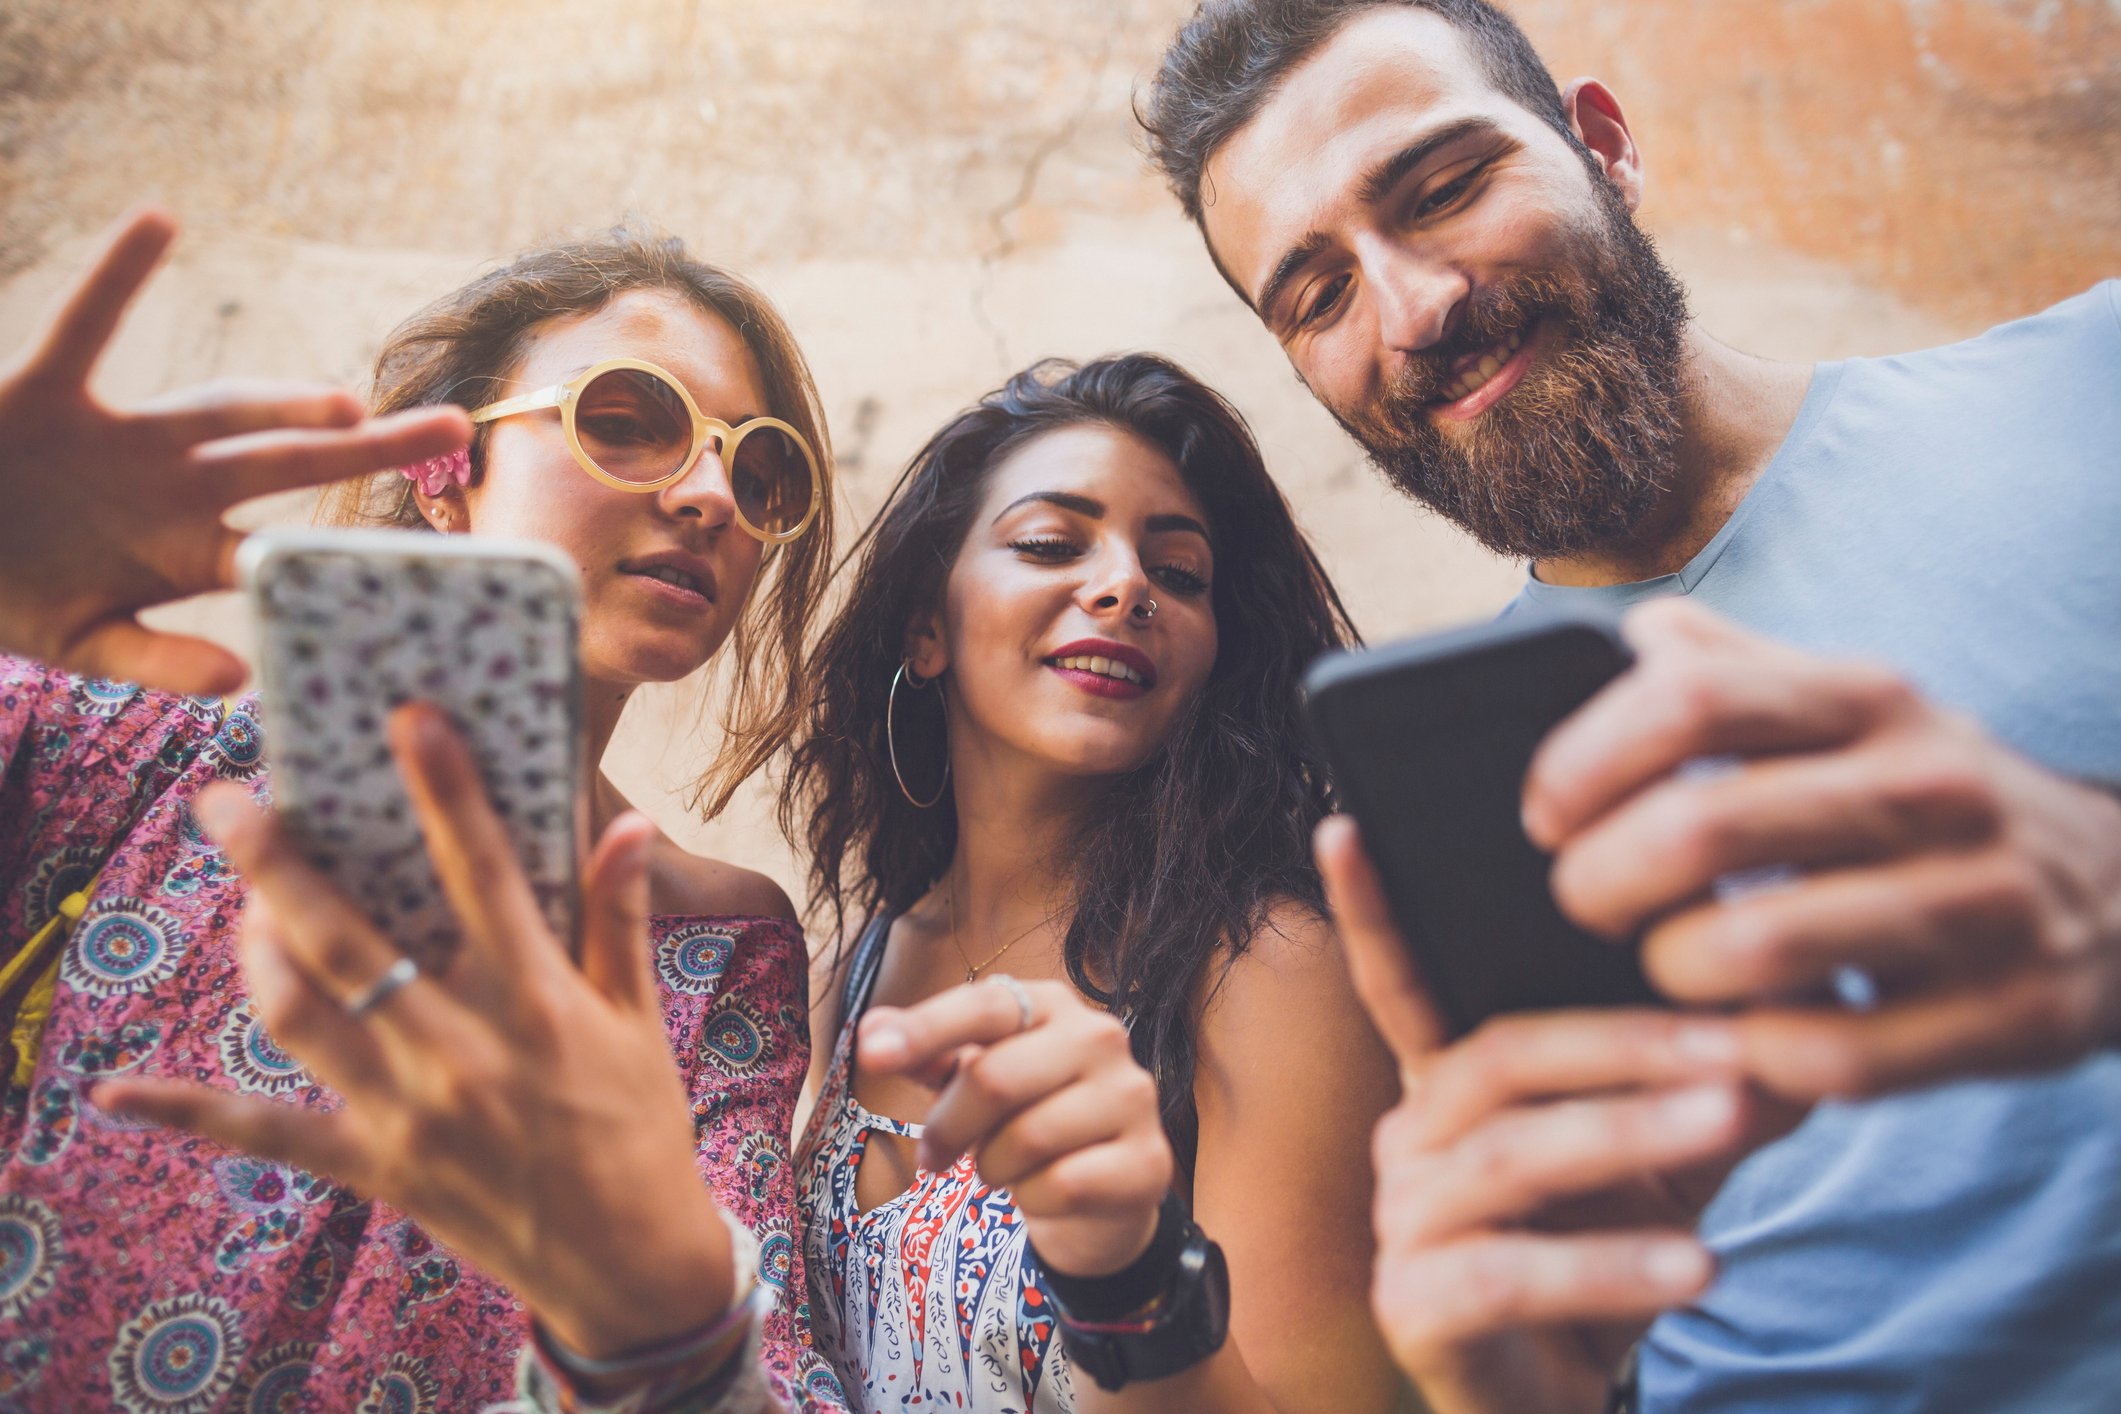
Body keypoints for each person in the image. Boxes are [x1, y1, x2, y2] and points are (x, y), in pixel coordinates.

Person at [1140, 2, 2121, 1410]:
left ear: (1603, 148)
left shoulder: (2086, 392)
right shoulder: (1430, 805)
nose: (1412, 312)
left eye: (1444, 188)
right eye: (1318, 294)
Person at [0, 208, 850, 1410]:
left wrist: (658, 1326)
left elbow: (773, 1378)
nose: (714, 494)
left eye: (758, 473)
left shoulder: (719, 949)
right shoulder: (142, 758)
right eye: (625, 421)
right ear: (447, 475)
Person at [779, 354, 1409, 1412]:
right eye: (1049, 544)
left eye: (1181, 573)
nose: (1125, 586)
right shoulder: (848, 968)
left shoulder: (1264, 967)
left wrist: (1126, 1270)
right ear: (925, 628)